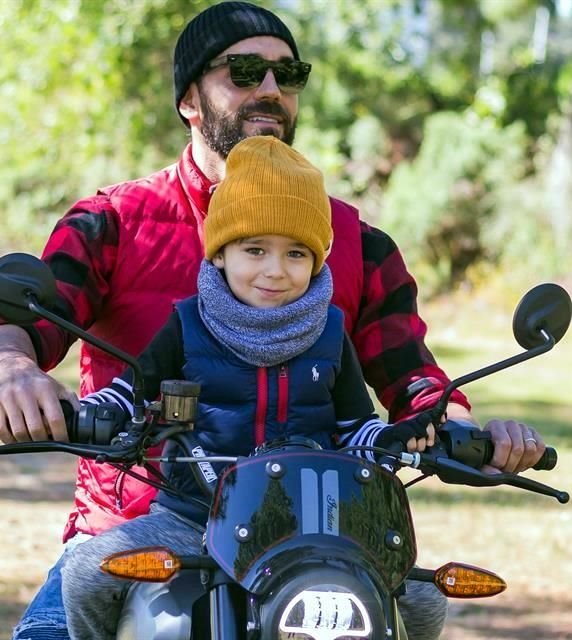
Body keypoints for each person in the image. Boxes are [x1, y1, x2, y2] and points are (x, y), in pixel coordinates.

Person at [0, 3, 548, 638]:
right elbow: (26, 324)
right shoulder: (114, 221)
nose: (271, 89)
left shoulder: (354, 242)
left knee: (416, 607)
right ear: (191, 98)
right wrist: (14, 371)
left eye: (288, 73)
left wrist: (462, 430)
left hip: (312, 533)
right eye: (245, 71)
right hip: (147, 526)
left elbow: (411, 377)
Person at [62, 135, 449, 639]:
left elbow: (356, 427)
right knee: (87, 572)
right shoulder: (187, 324)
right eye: (254, 249)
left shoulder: (331, 332)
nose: (275, 270)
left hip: (314, 526)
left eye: (295, 253)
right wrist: (100, 413)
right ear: (220, 253)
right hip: (192, 517)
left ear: (317, 260)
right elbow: (130, 392)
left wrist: (390, 439)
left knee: (423, 598)